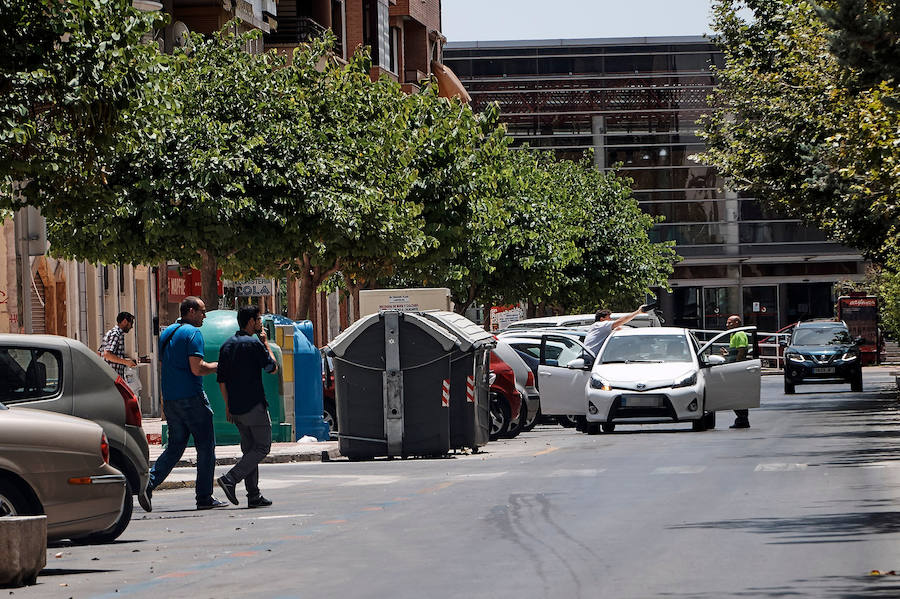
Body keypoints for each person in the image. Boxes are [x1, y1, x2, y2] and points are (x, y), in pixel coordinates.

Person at [141, 296, 225, 512]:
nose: (204, 316)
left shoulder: (167, 333)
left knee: (176, 447)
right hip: (192, 398)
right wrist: (219, 366)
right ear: (190, 311)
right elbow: (197, 368)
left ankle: (149, 483)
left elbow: (165, 364)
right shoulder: (193, 334)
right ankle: (204, 497)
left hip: (171, 399)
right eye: (202, 312)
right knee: (205, 447)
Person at [215, 305, 278, 509]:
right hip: (254, 406)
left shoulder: (226, 345)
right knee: (262, 447)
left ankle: (254, 495)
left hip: (236, 408)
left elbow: (221, 380)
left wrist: (228, 406)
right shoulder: (254, 344)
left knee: (250, 450)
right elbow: (272, 368)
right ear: (251, 321)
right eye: (258, 319)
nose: (260, 323)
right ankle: (230, 478)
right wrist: (266, 343)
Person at [583, 305, 651, 356]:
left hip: (590, 356)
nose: (610, 320)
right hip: (591, 358)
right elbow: (620, 321)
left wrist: (614, 331)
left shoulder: (596, 327)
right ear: (602, 319)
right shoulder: (600, 325)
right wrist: (637, 312)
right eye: (609, 318)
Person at [723, 314, 751, 429]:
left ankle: (742, 418)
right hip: (735, 368)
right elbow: (735, 352)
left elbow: (741, 351)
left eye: (729, 323)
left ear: (736, 323)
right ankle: (741, 418)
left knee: (737, 395)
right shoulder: (733, 334)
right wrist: (727, 354)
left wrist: (736, 366)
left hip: (737, 370)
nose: (727, 325)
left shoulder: (739, 334)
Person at [100, 312, 136, 378]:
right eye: (131, 323)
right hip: (112, 376)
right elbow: (107, 354)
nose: (131, 327)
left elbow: (100, 353)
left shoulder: (112, 333)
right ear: (125, 321)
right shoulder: (116, 334)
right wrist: (126, 362)